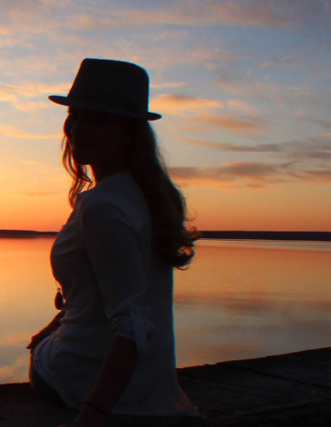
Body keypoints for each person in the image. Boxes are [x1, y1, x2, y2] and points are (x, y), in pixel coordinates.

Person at [26, 58, 200, 427]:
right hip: (152, 387)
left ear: (127, 131)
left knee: (38, 357)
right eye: (75, 115)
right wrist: (59, 321)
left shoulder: (104, 206)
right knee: (45, 340)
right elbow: (121, 296)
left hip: (94, 384)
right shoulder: (147, 196)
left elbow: (131, 326)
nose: (78, 129)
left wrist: (92, 415)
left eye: (97, 120)